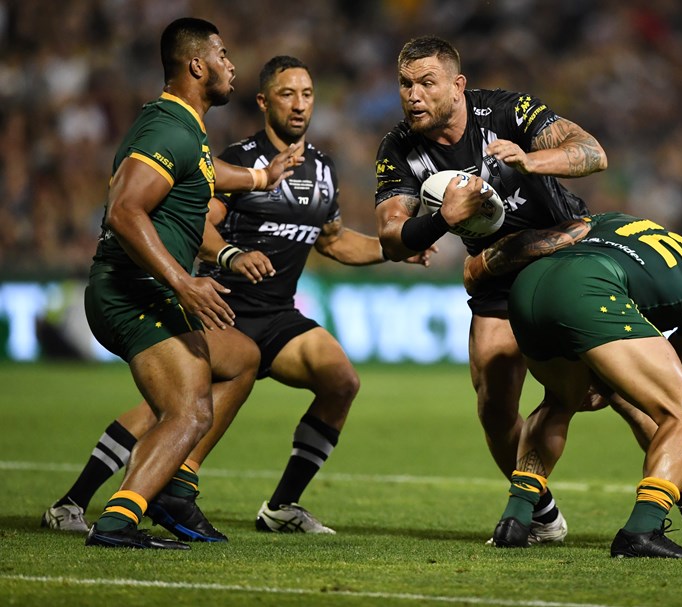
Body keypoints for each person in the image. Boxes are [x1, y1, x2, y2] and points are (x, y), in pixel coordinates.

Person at [42, 55, 434, 539]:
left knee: (340, 381)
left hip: (277, 315)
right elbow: (197, 225)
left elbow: (332, 241)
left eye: (307, 94)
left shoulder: (324, 170)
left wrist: (394, 251)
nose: (299, 105)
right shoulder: (238, 158)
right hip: (224, 308)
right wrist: (230, 253)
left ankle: (282, 505)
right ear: (265, 101)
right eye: (287, 94)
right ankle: (80, 499)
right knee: (168, 408)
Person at [77, 18, 303, 549]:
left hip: (146, 291)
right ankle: (118, 521)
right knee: (190, 409)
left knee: (242, 355)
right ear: (197, 65)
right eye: (223, 55)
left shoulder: (186, 131)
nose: (232, 65)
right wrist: (183, 282)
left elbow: (206, 171)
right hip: (129, 291)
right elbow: (124, 210)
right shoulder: (168, 130)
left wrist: (260, 177)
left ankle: (172, 486)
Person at [374, 34, 607, 544]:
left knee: (626, 394)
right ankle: (540, 511)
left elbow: (591, 152)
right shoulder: (399, 148)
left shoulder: (507, 111)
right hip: (495, 274)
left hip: (562, 255)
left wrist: (530, 160)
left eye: (426, 83)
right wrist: (440, 222)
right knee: (493, 405)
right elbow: (391, 238)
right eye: (405, 84)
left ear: (457, 86)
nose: (413, 94)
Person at [473, 212, 682, 558]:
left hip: (528, 286)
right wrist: (611, 382)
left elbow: (568, 232)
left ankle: (516, 520)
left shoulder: (625, 223)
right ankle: (642, 530)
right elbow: (673, 381)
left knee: (560, 401)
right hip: (590, 291)